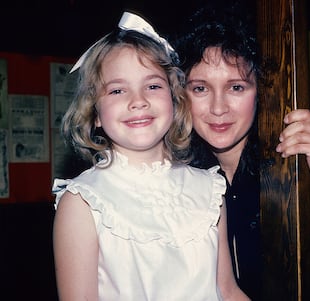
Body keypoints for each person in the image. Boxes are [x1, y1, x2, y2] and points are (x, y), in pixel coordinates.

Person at [174, 4, 310, 300]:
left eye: (236, 88)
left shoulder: (292, 148)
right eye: (201, 89)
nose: (218, 109)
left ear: (260, 91)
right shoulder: (179, 170)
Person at [52, 11, 249, 301]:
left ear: (174, 97)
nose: (138, 101)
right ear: (95, 112)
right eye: (118, 90)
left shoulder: (210, 190)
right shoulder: (83, 202)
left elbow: (229, 292)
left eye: (153, 86)